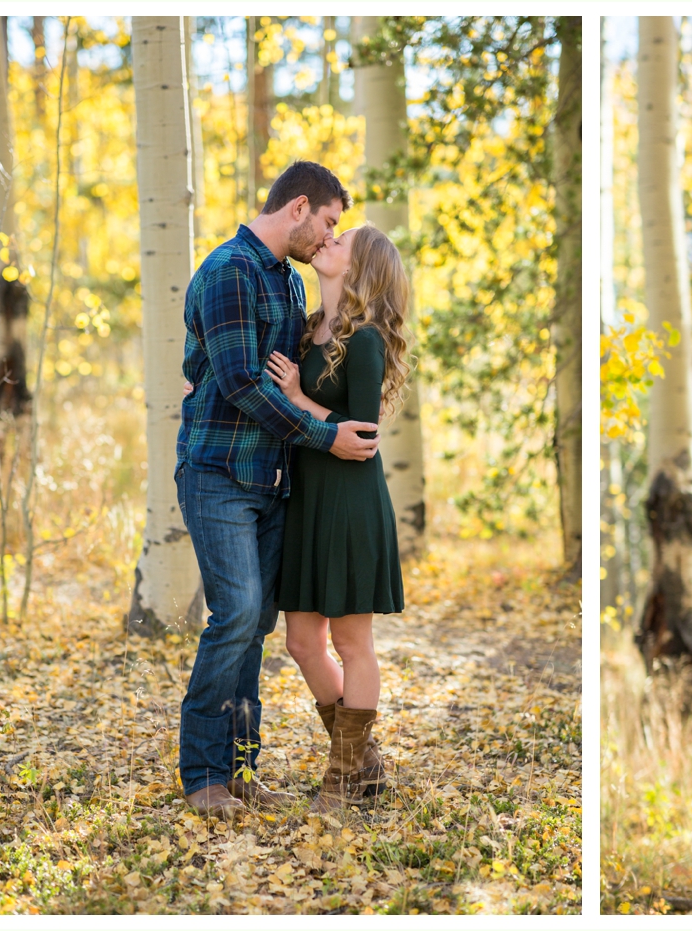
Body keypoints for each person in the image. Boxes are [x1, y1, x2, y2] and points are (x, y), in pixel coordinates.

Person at [176, 161, 378, 819]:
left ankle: (239, 770)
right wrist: (325, 437)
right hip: (220, 475)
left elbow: (237, 368)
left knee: (255, 625)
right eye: (327, 222)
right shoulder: (231, 269)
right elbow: (238, 381)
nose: (327, 238)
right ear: (297, 207)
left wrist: (199, 374)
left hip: (271, 481)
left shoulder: (288, 283)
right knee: (235, 614)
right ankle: (204, 772)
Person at [267, 224, 413, 813]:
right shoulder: (306, 330)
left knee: (353, 643)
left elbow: (364, 434)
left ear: (363, 266)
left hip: (351, 500)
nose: (327, 239)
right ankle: (365, 762)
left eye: (341, 238)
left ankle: (342, 779)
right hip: (306, 498)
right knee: (302, 642)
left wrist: (301, 400)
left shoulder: (368, 340)